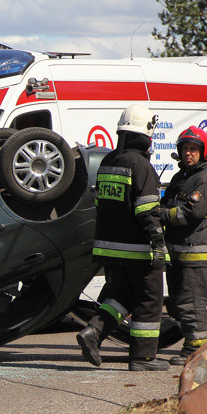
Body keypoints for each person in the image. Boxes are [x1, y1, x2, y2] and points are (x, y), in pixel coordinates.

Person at [76, 104, 169, 371]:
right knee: (149, 302)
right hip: (138, 250)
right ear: (145, 134)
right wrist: (158, 244)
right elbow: (147, 210)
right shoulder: (141, 165)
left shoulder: (108, 161)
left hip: (109, 249)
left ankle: (93, 332)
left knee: (121, 296)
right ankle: (142, 358)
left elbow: (100, 204)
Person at [159, 126, 207, 365]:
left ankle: (194, 350)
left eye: (193, 149)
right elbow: (165, 203)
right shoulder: (180, 178)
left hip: (194, 253)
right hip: (177, 252)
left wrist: (160, 215)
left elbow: (190, 214)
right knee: (177, 304)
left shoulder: (204, 180)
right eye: (184, 149)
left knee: (190, 302)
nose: (188, 154)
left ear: (202, 153)